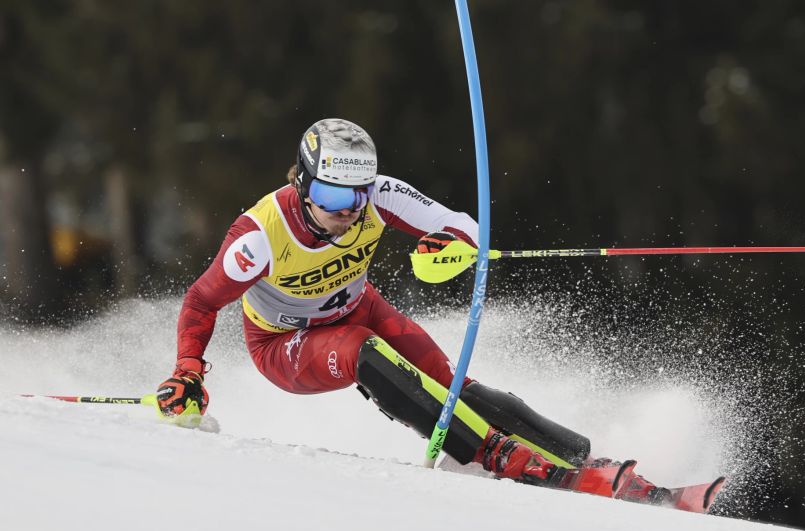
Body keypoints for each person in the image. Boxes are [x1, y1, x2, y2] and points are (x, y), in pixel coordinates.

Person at [155, 117, 670, 505]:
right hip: (283, 344)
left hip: (360, 308)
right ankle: (499, 456)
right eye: (332, 195)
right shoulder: (261, 236)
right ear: (303, 184)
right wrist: (188, 370)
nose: (346, 211)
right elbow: (202, 300)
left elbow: (462, 224)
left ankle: (580, 456)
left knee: (453, 385)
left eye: (356, 195)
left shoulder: (377, 198)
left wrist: (447, 245)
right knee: (363, 350)